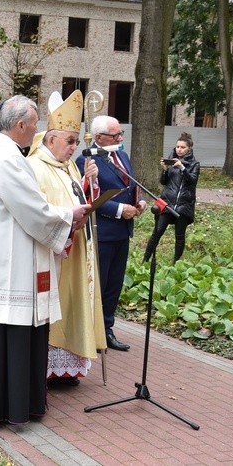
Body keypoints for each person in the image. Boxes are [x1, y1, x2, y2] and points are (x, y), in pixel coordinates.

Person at [0, 95, 91, 424]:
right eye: (33, 125)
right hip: (9, 265)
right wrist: (68, 215)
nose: (36, 131)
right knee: (8, 331)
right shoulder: (7, 160)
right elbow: (32, 210)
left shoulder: (1, 154)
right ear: (20, 125)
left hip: (4, 259)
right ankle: (8, 406)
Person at [27, 91, 106, 386]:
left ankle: (69, 366)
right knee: (55, 307)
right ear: (50, 140)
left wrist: (89, 181)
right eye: (69, 141)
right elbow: (39, 212)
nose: (75, 147)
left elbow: (77, 197)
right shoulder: (35, 167)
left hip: (76, 249)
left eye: (75, 141)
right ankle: (47, 368)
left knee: (74, 304)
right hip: (54, 254)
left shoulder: (69, 165)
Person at [76, 115, 146, 352]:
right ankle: (93, 331)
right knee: (100, 282)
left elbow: (131, 184)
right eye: (115, 135)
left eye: (120, 134)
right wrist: (118, 209)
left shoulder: (122, 155)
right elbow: (87, 197)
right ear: (98, 138)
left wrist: (140, 201)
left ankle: (107, 328)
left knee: (114, 284)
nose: (120, 138)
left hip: (122, 231)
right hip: (102, 231)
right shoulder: (86, 159)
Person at [143, 132, 200, 263]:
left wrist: (182, 167)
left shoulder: (194, 165)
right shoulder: (171, 160)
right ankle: (145, 260)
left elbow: (192, 181)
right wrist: (165, 169)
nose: (179, 149)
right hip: (167, 203)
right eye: (177, 146)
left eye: (182, 147)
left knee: (179, 236)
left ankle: (176, 263)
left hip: (183, 205)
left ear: (189, 149)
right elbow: (163, 182)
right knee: (157, 232)